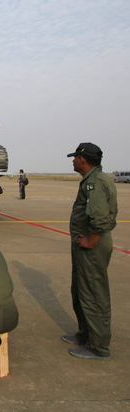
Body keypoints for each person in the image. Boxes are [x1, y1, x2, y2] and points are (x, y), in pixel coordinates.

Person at [64, 143, 117, 360]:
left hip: (92, 246)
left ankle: (99, 346)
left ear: (83, 160)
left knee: (93, 294)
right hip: (87, 245)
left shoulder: (94, 183)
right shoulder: (93, 180)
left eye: (75, 158)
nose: (73, 161)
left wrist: (90, 241)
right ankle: (86, 334)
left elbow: (100, 218)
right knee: (80, 290)